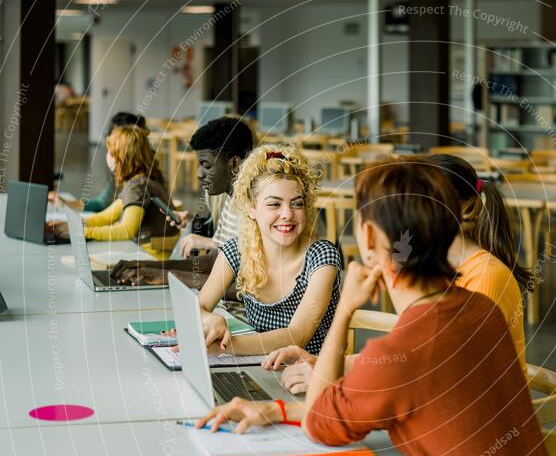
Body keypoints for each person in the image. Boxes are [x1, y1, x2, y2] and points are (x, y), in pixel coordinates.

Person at [196, 157, 556, 456]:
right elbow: (356, 406)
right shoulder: (475, 310)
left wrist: (343, 310)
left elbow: (320, 421)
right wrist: (276, 410)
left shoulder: (407, 348)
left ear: (371, 238)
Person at [266, 153, 532, 395]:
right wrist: (324, 364)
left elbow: (430, 365)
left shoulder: (486, 276)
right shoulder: (435, 271)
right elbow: (412, 353)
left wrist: (332, 373)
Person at [193, 143, 342, 356]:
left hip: (308, 376)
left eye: (297, 204)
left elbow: (297, 336)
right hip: (258, 369)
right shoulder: (237, 250)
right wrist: (211, 318)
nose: (287, 214)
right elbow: (197, 307)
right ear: (252, 208)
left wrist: (225, 346)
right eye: (274, 204)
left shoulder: (322, 257)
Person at [110, 117, 254, 288]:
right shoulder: (231, 201)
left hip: (232, 313)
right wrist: (147, 266)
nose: (199, 174)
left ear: (235, 163)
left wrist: (170, 276)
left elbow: (246, 289)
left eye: (206, 165)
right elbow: (212, 261)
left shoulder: (254, 210)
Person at [50, 125, 179, 260]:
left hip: (150, 257)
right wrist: (74, 224)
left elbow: (126, 230)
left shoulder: (138, 186)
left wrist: (80, 232)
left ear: (120, 156)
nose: (107, 155)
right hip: (145, 252)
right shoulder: (138, 181)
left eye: (109, 151)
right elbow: (106, 217)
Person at [83, 113, 149, 213]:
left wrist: (87, 227)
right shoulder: (122, 172)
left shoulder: (138, 185)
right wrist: (67, 204)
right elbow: (104, 204)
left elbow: (125, 227)